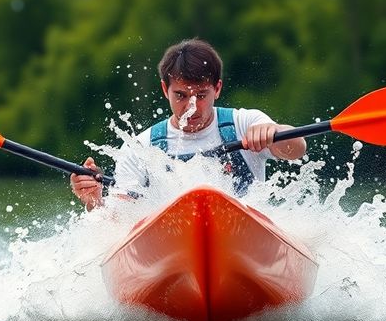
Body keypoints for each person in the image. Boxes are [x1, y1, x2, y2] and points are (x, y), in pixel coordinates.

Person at [70, 38, 306, 210]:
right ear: (165, 90)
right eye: (181, 95)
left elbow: (297, 149)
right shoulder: (139, 147)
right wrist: (95, 202)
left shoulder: (245, 122)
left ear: (218, 89)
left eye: (201, 96)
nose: (191, 107)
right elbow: (118, 222)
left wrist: (276, 132)